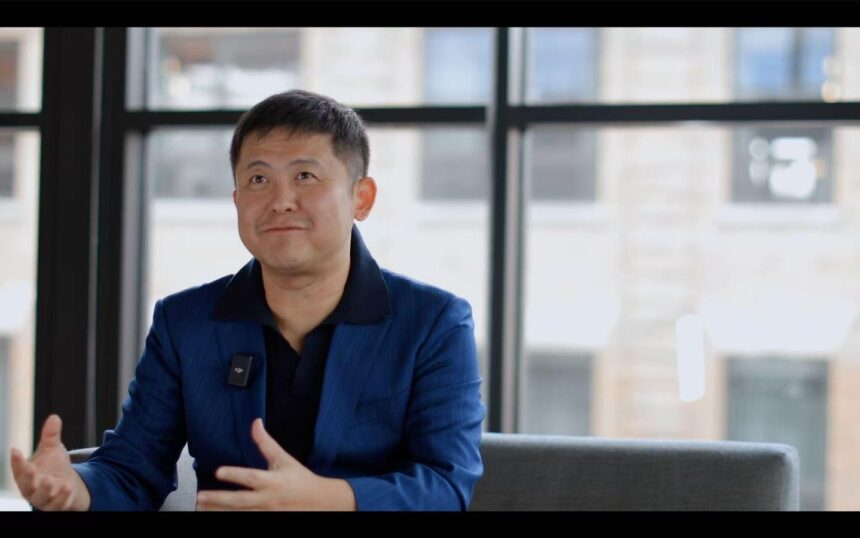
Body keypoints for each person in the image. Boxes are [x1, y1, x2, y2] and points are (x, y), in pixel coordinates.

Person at [10, 90, 486, 511]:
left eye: (305, 175)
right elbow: (132, 469)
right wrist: (75, 489)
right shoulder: (186, 322)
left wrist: (328, 500)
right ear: (237, 199)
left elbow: (446, 486)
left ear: (361, 198)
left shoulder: (433, 322)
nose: (280, 200)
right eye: (258, 180)